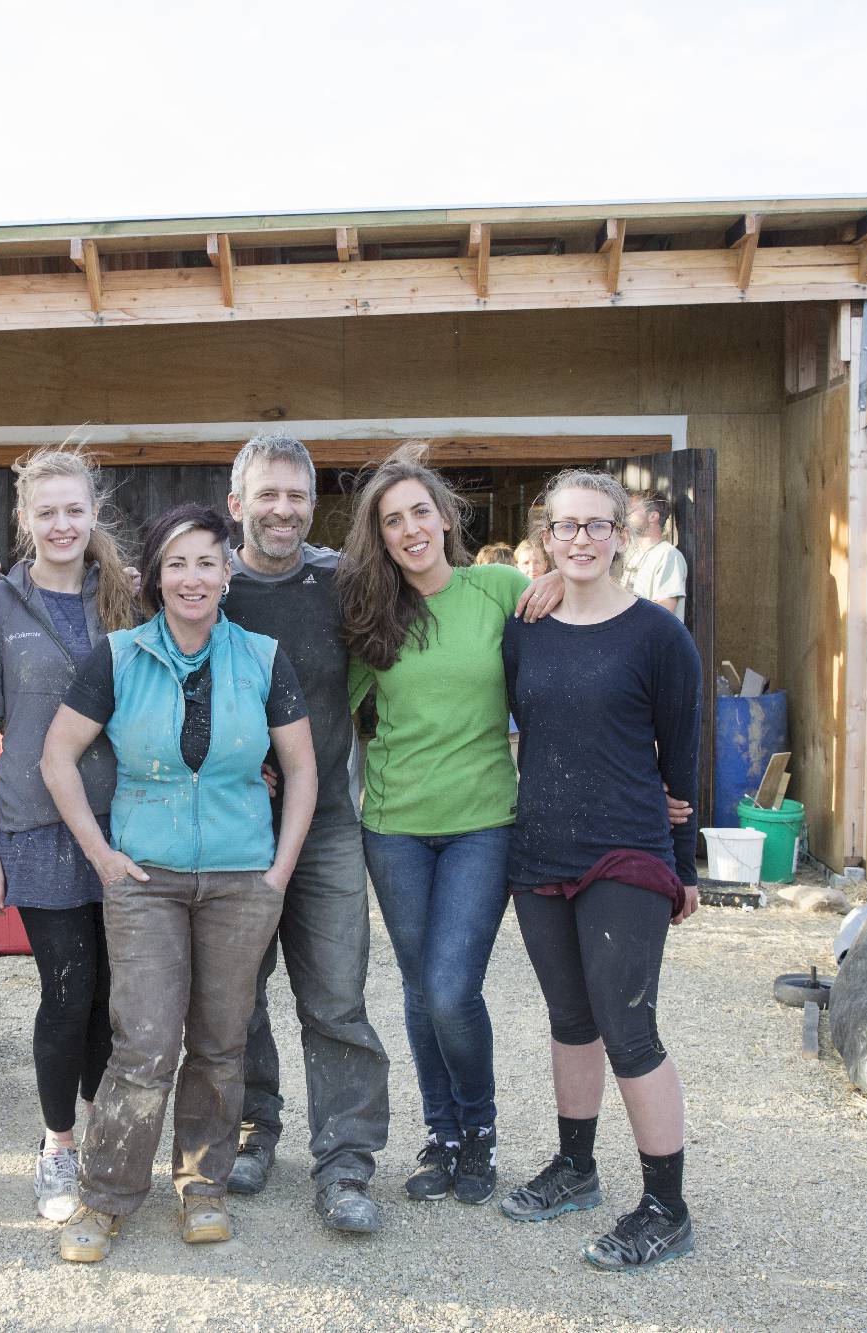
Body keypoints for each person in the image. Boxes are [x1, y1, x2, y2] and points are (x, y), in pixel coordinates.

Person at [41, 504, 316, 1263]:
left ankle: (203, 1187)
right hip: (145, 880)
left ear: (228, 573)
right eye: (176, 564)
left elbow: (302, 769)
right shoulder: (120, 655)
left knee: (223, 1043)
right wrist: (100, 853)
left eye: (206, 562)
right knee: (146, 1042)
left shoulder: (262, 657)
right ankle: (104, 1197)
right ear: (155, 579)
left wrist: (279, 871)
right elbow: (55, 756)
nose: (192, 578)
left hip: (240, 880)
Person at [498, 468, 703, 1272]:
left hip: (627, 851)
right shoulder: (525, 626)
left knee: (629, 1030)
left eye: (596, 525)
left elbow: (681, 755)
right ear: (546, 536)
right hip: (540, 851)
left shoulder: (659, 636)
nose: (580, 538)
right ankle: (575, 1168)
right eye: (565, 525)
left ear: (624, 534)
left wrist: (683, 868)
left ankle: (665, 1205)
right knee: (570, 1020)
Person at [336, 443, 529, 1210]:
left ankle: (479, 1128)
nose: (410, 528)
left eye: (421, 510)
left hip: (485, 820)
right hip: (393, 824)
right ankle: (442, 1134)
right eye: (392, 520)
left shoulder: (502, 589)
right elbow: (325, 704)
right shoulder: (375, 614)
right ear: (379, 537)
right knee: (419, 990)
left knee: (452, 989)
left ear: (446, 517)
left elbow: (575, 631)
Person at [0, 445, 136, 1224]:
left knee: (111, 995)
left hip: (126, 822)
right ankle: (58, 1144)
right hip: (35, 828)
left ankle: (97, 1128)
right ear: (24, 520)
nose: (62, 524)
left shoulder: (126, 595)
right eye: (45, 511)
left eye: (74, 509)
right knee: (66, 991)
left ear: (94, 512)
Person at [217, 434, 390, 1235]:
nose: (282, 509)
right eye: (267, 494)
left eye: (295, 495)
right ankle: (255, 1129)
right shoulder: (206, 582)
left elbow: (437, 587)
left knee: (335, 996)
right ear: (237, 505)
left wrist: (551, 582)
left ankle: (346, 1159)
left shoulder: (342, 581)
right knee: (236, 993)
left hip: (324, 826)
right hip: (230, 828)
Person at [621, 490, 686, 619]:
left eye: (631, 511)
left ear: (652, 517)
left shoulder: (668, 555)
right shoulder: (633, 554)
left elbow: (664, 611)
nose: (625, 516)